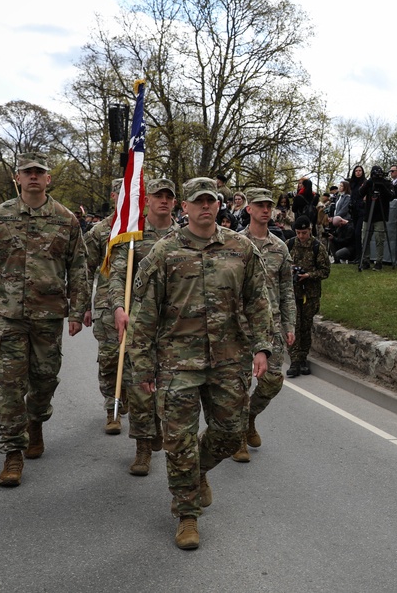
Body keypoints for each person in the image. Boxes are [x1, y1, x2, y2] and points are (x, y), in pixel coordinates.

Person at [127, 177, 274, 550]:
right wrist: (142, 367)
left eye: (212, 201)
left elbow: (258, 301)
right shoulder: (163, 252)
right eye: (198, 201)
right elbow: (144, 314)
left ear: (219, 206)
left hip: (229, 359)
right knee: (178, 440)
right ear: (185, 208)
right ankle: (187, 514)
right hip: (177, 362)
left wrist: (262, 348)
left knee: (229, 433)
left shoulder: (240, 248)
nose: (206, 206)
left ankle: (198, 471)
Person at [0, 153, 91, 487]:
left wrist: (78, 311)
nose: (34, 177)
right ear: (17, 178)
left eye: (40, 172)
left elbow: (78, 269)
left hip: (48, 316)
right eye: (28, 172)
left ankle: (36, 419)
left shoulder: (66, 220)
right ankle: (12, 453)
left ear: (48, 179)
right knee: (9, 384)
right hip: (6, 315)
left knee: (44, 380)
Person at [110, 178, 178, 476]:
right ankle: (142, 447)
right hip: (140, 320)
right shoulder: (133, 234)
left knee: (170, 387)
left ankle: (161, 429)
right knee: (139, 386)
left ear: (175, 202)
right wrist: (119, 308)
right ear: (146, 200)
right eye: (157, 195)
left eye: (168, 196)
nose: (163, 200)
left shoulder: (185, 235)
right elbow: (116, 273)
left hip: (176, 324)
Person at [233, 188, 296, 462]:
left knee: (272, 381)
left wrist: (290, 324)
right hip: (239, 326)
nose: (265, 210)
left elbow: (287, 290)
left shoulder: (279, 247)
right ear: (249, 209)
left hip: (271, 326)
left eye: (269, 205)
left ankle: (249, 419)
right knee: (238, 385)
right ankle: (237, 441)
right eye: (259, 205)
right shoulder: (234, 243)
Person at [84, 179, 127, 435]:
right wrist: (83, 308)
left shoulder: (148, 228)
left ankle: (130, 398)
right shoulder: (99, 231)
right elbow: (86, 271)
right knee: (110, 359)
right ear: (113, 196)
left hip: (143, 306)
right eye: (122, 193)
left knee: (138, 361)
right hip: (106, 306)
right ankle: (113, 407)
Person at [285, 216, 330, 377]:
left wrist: (309, 275)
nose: (301, 236)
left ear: (310, 230)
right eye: (298, 232)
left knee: (305, 325)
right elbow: (280, 266)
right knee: (294, 325)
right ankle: (294, 360)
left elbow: (325, 271)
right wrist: (290, 272)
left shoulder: (317, 247)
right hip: (292, 293)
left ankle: (303, 357)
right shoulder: (289, 244)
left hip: (310, 294)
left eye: (304, 232)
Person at [358, 166, 394, 270]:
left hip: (380, 215)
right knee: (365, 238)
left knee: (379, 239)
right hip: (368, 214)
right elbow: (360, 193)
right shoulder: (369, 182)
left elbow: (391, 196)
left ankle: (379, 261)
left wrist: (382, 186)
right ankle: (365, 260)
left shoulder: (387, 183)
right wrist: (368, 183)